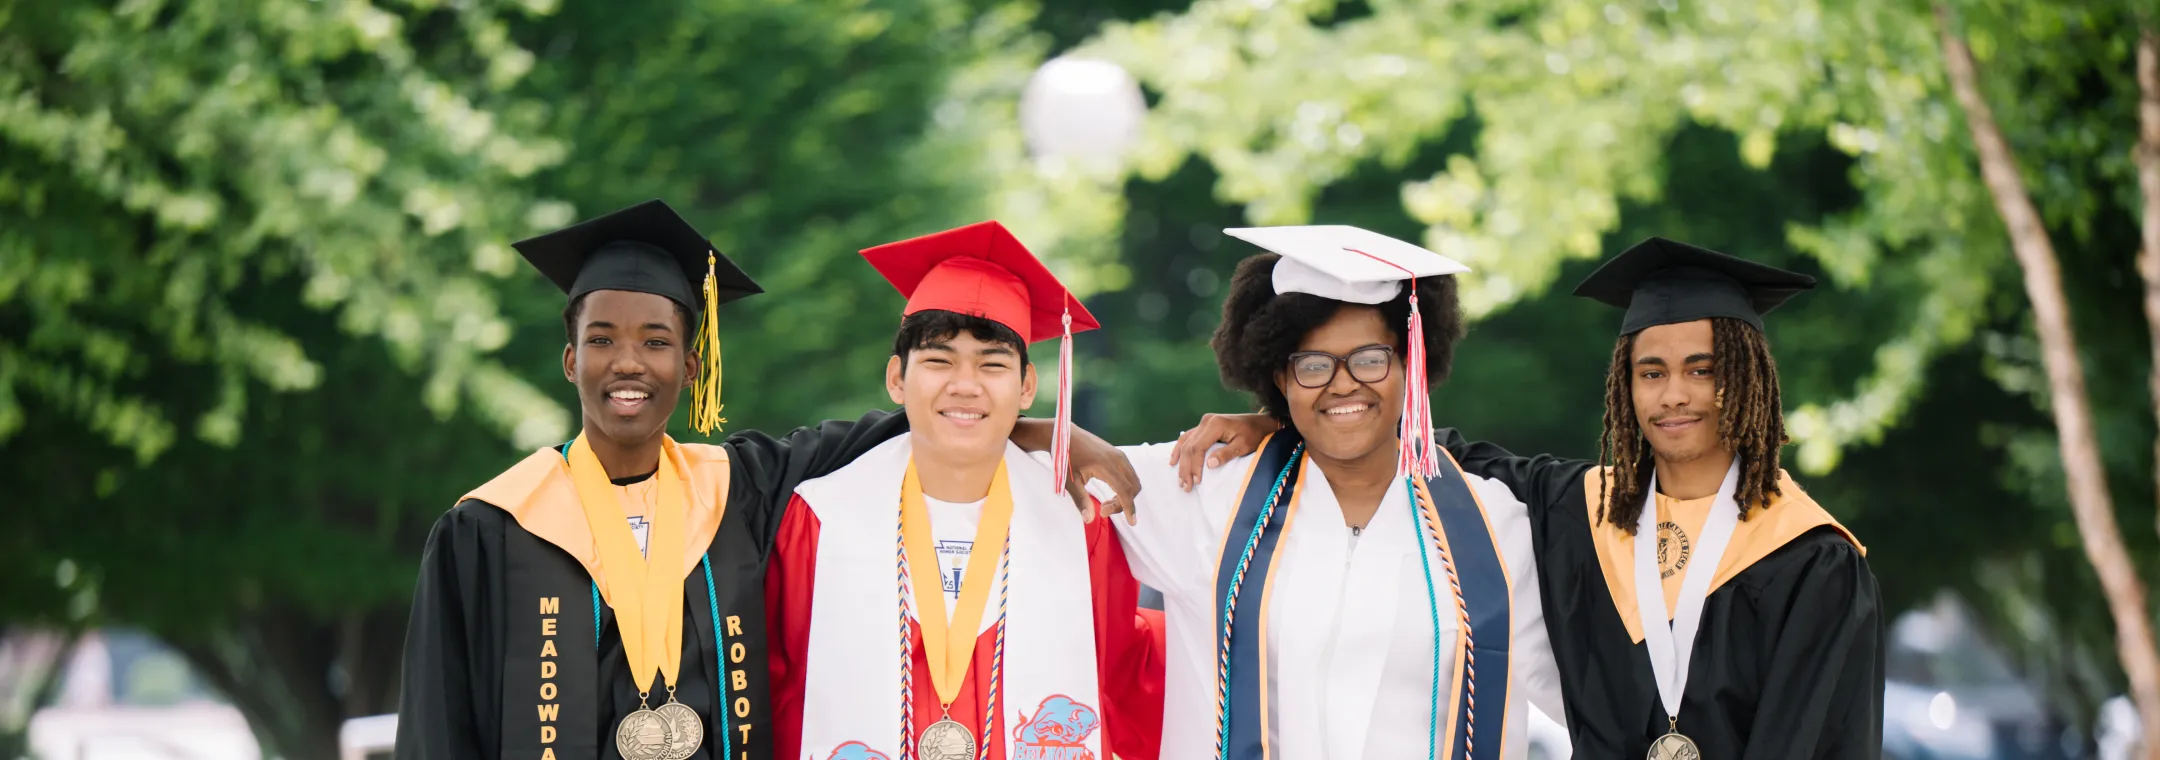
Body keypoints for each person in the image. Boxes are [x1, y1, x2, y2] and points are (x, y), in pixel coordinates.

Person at [394, 202, 1142, 760]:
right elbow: (436, 726)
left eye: (657, 342)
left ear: (692, 367)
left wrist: (1037, 426)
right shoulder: (491, 526)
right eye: (601, 341)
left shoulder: (736, 492)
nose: (629, 363)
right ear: (570, 362)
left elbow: (919, 422)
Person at [1183, 237, 1886, 759]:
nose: (1674, 394)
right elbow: (1416, 444)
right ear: (1625, 387)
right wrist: (1280, 418)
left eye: (1703, 370)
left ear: (1750, 379)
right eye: (1651, 372)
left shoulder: (1810, 561)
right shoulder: (1575, 510)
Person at [1106, 225, 1562, 760]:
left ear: (1410, 363)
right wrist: (1038, 426)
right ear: (1279, 377)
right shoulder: (1203, 489)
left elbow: (1585, 698)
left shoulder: (1497, 526)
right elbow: (1025, 468)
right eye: (1313, 365)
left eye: (1370, 358)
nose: (1343, 384)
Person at [764, 220, 1163, 760]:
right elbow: (778, 689)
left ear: (1027, 387)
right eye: (938, 360)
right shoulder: (818, 517)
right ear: (896, 379)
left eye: (992, 364)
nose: (965, 384)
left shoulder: (1078, 524)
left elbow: (1123, 672)